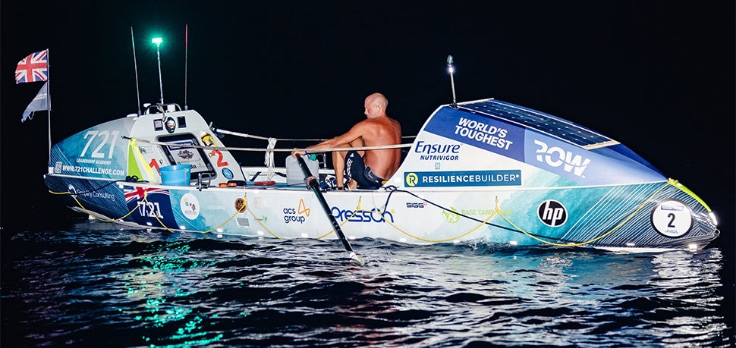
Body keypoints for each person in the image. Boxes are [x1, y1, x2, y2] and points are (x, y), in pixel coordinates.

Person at [292, 92, 402, 190]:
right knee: (357, 141)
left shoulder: (368, 125)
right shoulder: (396, 125)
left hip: (371, 179)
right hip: (390, 179)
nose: (365, 112)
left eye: (368, 109)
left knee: (338, 145)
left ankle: (340, 188)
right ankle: (353, 183)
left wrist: (305, 150)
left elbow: (334, 143)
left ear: (378, 108)